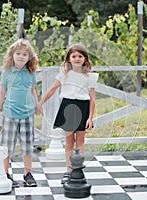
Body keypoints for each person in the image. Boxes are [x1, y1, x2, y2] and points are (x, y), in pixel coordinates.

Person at [39, 43, 98, 184]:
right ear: (69, 59)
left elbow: (92, 99)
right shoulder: (65, 74)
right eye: (74, 56)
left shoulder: (90, 77)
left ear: (85, 59)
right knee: (69, 141)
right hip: (68, 107)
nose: (77, 58)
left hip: (83, 107)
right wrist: (40, 103)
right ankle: (69, 169)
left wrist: (90, 118)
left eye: (80, 56)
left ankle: (78, 168)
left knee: (80, 141)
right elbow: (52, 90)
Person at [0, 38, 40, 188]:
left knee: (27, 146)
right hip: (10, 114)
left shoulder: (31, 73)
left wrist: (37, 105)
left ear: (29, 58)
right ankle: (5, 173)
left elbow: (33, 90)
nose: (21, 56)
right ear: (12, 55)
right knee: (7, 146)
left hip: (27, 115)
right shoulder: (7, 73)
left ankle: (27, 173)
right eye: (18, 53)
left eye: (25, 54)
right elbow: (2, 92)